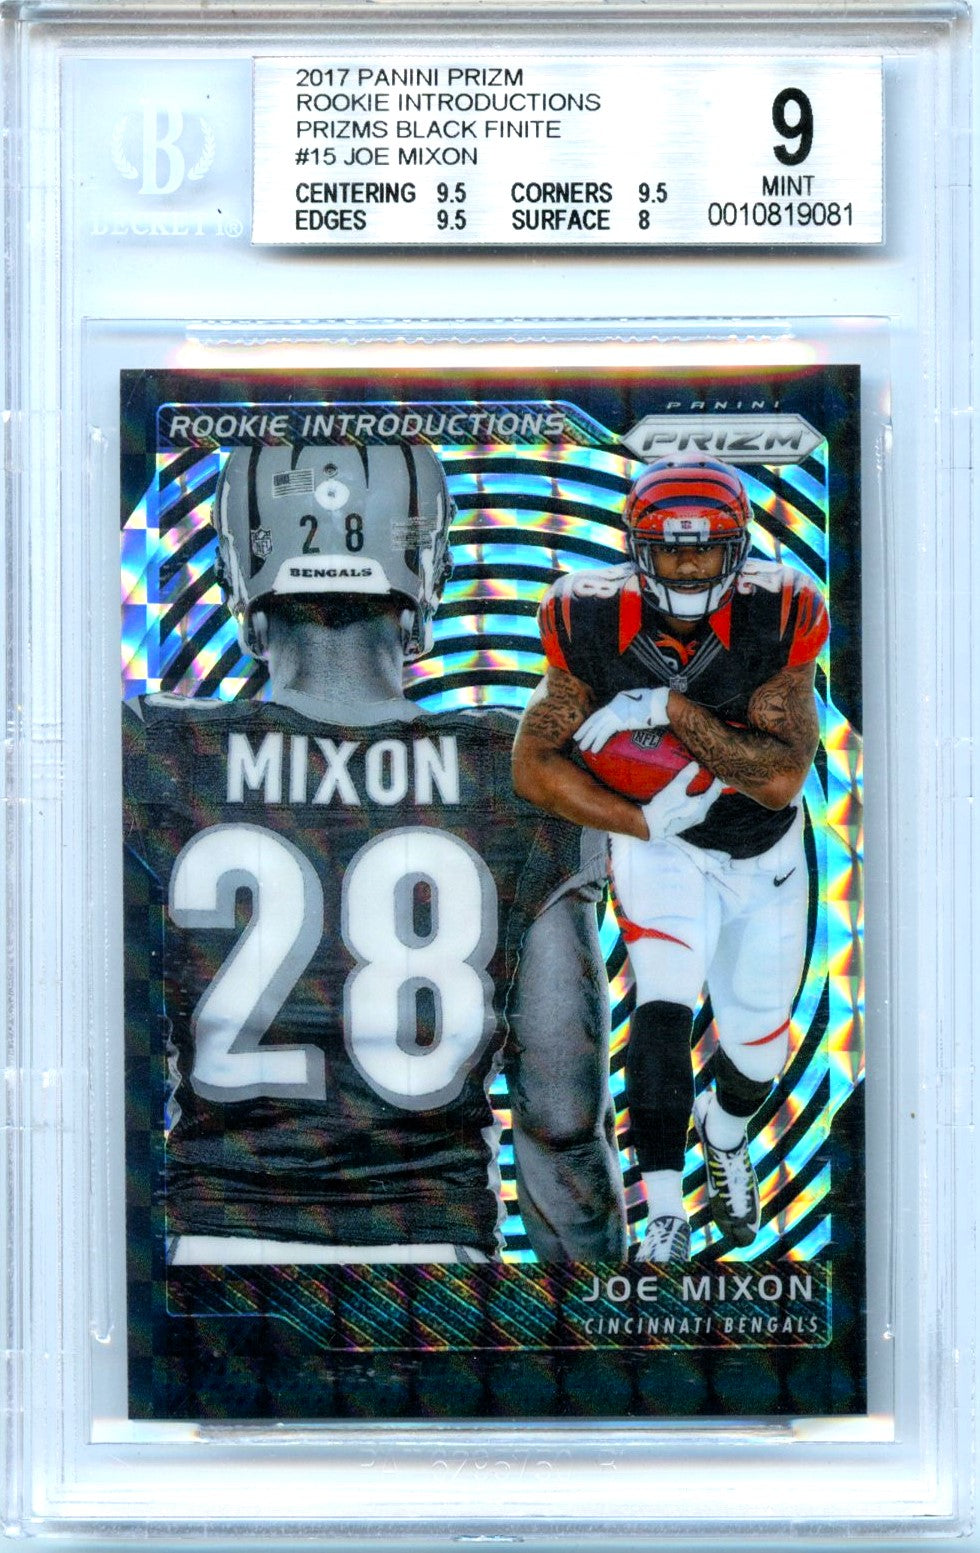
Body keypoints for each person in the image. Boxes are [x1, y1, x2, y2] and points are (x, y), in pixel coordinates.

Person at [124, 440, 626, 1266]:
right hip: (431, 1277)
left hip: (214, 1270)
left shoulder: (155, 756)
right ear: (424, 573)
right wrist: (602, 1331)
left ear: (243, 577)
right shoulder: (519, 777)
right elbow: (563, 1122)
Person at [512, 456, 827, 1263]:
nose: (687, 567)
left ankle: (725, 1135)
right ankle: (663, 1213)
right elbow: (533, 765)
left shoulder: (782, 610)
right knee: (663, 998)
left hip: (764, 850)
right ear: (636, 548)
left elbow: (780, 778)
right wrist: (640, 819)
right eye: (670, 548)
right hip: (668, 845)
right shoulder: (586, 615)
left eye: (706, 548)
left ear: (739, 549)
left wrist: (668, 707)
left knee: (757, 1046)